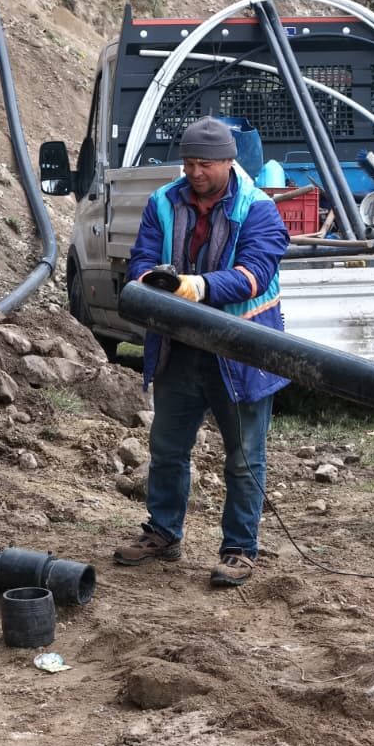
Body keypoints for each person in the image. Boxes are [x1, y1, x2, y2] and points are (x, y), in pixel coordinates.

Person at [112, 116, 291, 587]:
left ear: (229, 163)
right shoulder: (163, 202)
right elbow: (142, 258)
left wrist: (198, 286)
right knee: (168, 448)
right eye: (189, 163)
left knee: (244, 456)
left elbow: (254, 273)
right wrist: (151, 280)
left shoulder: (259, 210)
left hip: (241, 353)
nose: (194, 172)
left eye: (204, 164)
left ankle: (239, 549)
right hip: (179, 347)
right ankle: (163, 532)